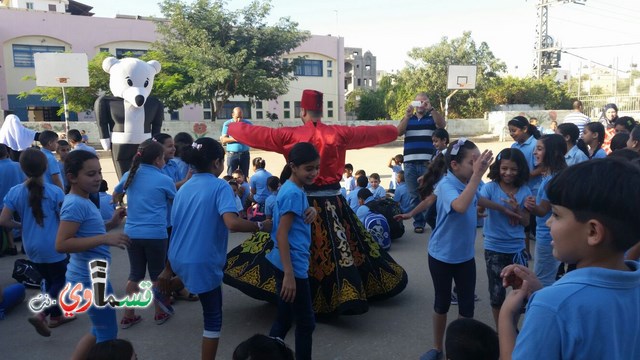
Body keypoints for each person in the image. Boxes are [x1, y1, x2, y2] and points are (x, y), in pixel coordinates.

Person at [224, 89, 407, 316]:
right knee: (342, 248)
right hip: (333, 202)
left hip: (299, 201)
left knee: (290, 241)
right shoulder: (339, 133)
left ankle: (293, 289)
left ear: (303, 111)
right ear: (321, 111)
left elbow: (257, 134)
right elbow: (369, 133)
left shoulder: (288, 135)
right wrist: (398, 127)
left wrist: (232, 125)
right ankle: (341, 293)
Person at [499, 158, 640, 360]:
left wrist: (506, 320)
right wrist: (542, 291)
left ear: (592, 232)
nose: (548, 222)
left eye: (556, 215)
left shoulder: (549, 306)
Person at [165, 137, 272, 359]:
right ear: (216, 163)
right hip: (203, 260)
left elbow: (175, 228)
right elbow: (232, 222)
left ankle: (165, 286)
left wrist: (168, 268)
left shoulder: (183, 189)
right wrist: (260, 225)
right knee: (213, 319)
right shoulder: (220, 186)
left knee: (190, 274)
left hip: (177, 256)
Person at [419, 139, 505, 360]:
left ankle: (458, 351)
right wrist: (477, 176)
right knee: (442, 303)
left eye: (479, 161)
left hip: (464, 257)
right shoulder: (447, 184)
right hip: (441, 256)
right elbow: (459, 206)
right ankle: (438, 347)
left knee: (467, 308)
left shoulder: (469, 181)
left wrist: (506, 210)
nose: (477, 166)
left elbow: (480, 199)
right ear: (455, 165)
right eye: (472, 162)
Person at [55, 150, 129, 360]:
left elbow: (88, 232)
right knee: (107, 336)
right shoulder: (75, 204)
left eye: (99, 172)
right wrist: (104, 239)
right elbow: (61, 244)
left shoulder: (84, 200)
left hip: (93, 277)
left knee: (99, 330)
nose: (98, 178)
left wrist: (111, 224)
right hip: (88, 280)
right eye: (90, 174)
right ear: (72, 177)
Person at [0, 148, 72, 336]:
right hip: (54, 245)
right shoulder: (55, 192)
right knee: (61, 281)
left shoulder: (15, 192)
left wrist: (21, 225)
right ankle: (43, 313)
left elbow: (3, 220)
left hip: (31, 247)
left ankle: (56, 317)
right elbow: (65, 219)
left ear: (22, 168)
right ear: (46, 166)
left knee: (49, 280)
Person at [112, 139, 176, 328]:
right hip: (156, 234)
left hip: (132, 233)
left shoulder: (129, 175)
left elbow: (116, 192)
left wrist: (119, 206)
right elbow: (177, 203)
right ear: (158, 159)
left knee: (135, 275)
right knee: (157, 276)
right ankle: (160, 312)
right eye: (163, 157)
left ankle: (128, 315)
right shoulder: (164, 179)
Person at [267, 142, 319, 360]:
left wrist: (312, 211)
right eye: (309, 168)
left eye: (316, 167)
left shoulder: (294, 189)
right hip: (293, 266)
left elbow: (294, 218)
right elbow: (281, 233)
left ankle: (265, 353)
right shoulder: (293, 193)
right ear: (293, 167)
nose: (314, 173)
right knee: (306, 323)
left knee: (285, 318)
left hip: (286, 261)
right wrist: (290, 274)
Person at [478, 148, 531, 329]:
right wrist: (481, 211)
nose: (508, 173)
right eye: (504, 168)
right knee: (497, 295)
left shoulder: (525, 190)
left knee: (520, 294)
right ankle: (502, 331)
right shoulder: (489, 188)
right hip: (494, 249)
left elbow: (526, 223)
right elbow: (479, 206)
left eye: (513, 169)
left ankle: (513, 328)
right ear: (498, 168)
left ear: (521, 169)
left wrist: (517, 209)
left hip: (517, 251)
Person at [397, 92, 446, 234]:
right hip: (410, 162)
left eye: (424, 102)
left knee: (428, 192)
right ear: (414, 103)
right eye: (418, 102)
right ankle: (419, 222)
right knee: (413, 194)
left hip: (427, 163)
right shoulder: (409, 118)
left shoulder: (432, 117)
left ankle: (431, 219)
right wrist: (407, 115)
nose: (421, 105)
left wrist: (432, 109)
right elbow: (399, 132)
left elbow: (442, 126)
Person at [523, 134, 567, 287]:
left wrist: (528, 205)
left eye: (540, 149)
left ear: (553, 153)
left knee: (542, 279)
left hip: (546, 234)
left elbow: (542, 211)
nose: (535, 153)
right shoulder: (553, 175)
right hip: (549, 233)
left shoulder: (551, 180)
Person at [508, 116, 542, 252]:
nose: (511, 134)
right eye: (509, 131)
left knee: (529, 221)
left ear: (525, 129)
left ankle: (528, 250)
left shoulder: (535, 145)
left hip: (533, 189)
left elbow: (542, 168)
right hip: (519, 188)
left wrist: (526, 176)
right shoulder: (514, 146)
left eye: (514, 131)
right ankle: (524, 250)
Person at [0, 143, 25, 255]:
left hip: (2, 202)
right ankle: (25, 245)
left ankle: (11, 246)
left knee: (6, 225)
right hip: (20, 199)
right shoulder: (18, 166)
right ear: (8, 153)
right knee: (23, 222)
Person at [220, 107, 252, 177]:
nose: (239, 120)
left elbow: (252, 138)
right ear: (232, 115)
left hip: (245, 154)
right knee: (231, 176)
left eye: (241, 117)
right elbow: (224, 140)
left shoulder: (248, 124)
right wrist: (236, 139)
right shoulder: (227, 124)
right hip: (232, 155)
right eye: (237, 117)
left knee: (244, 177)